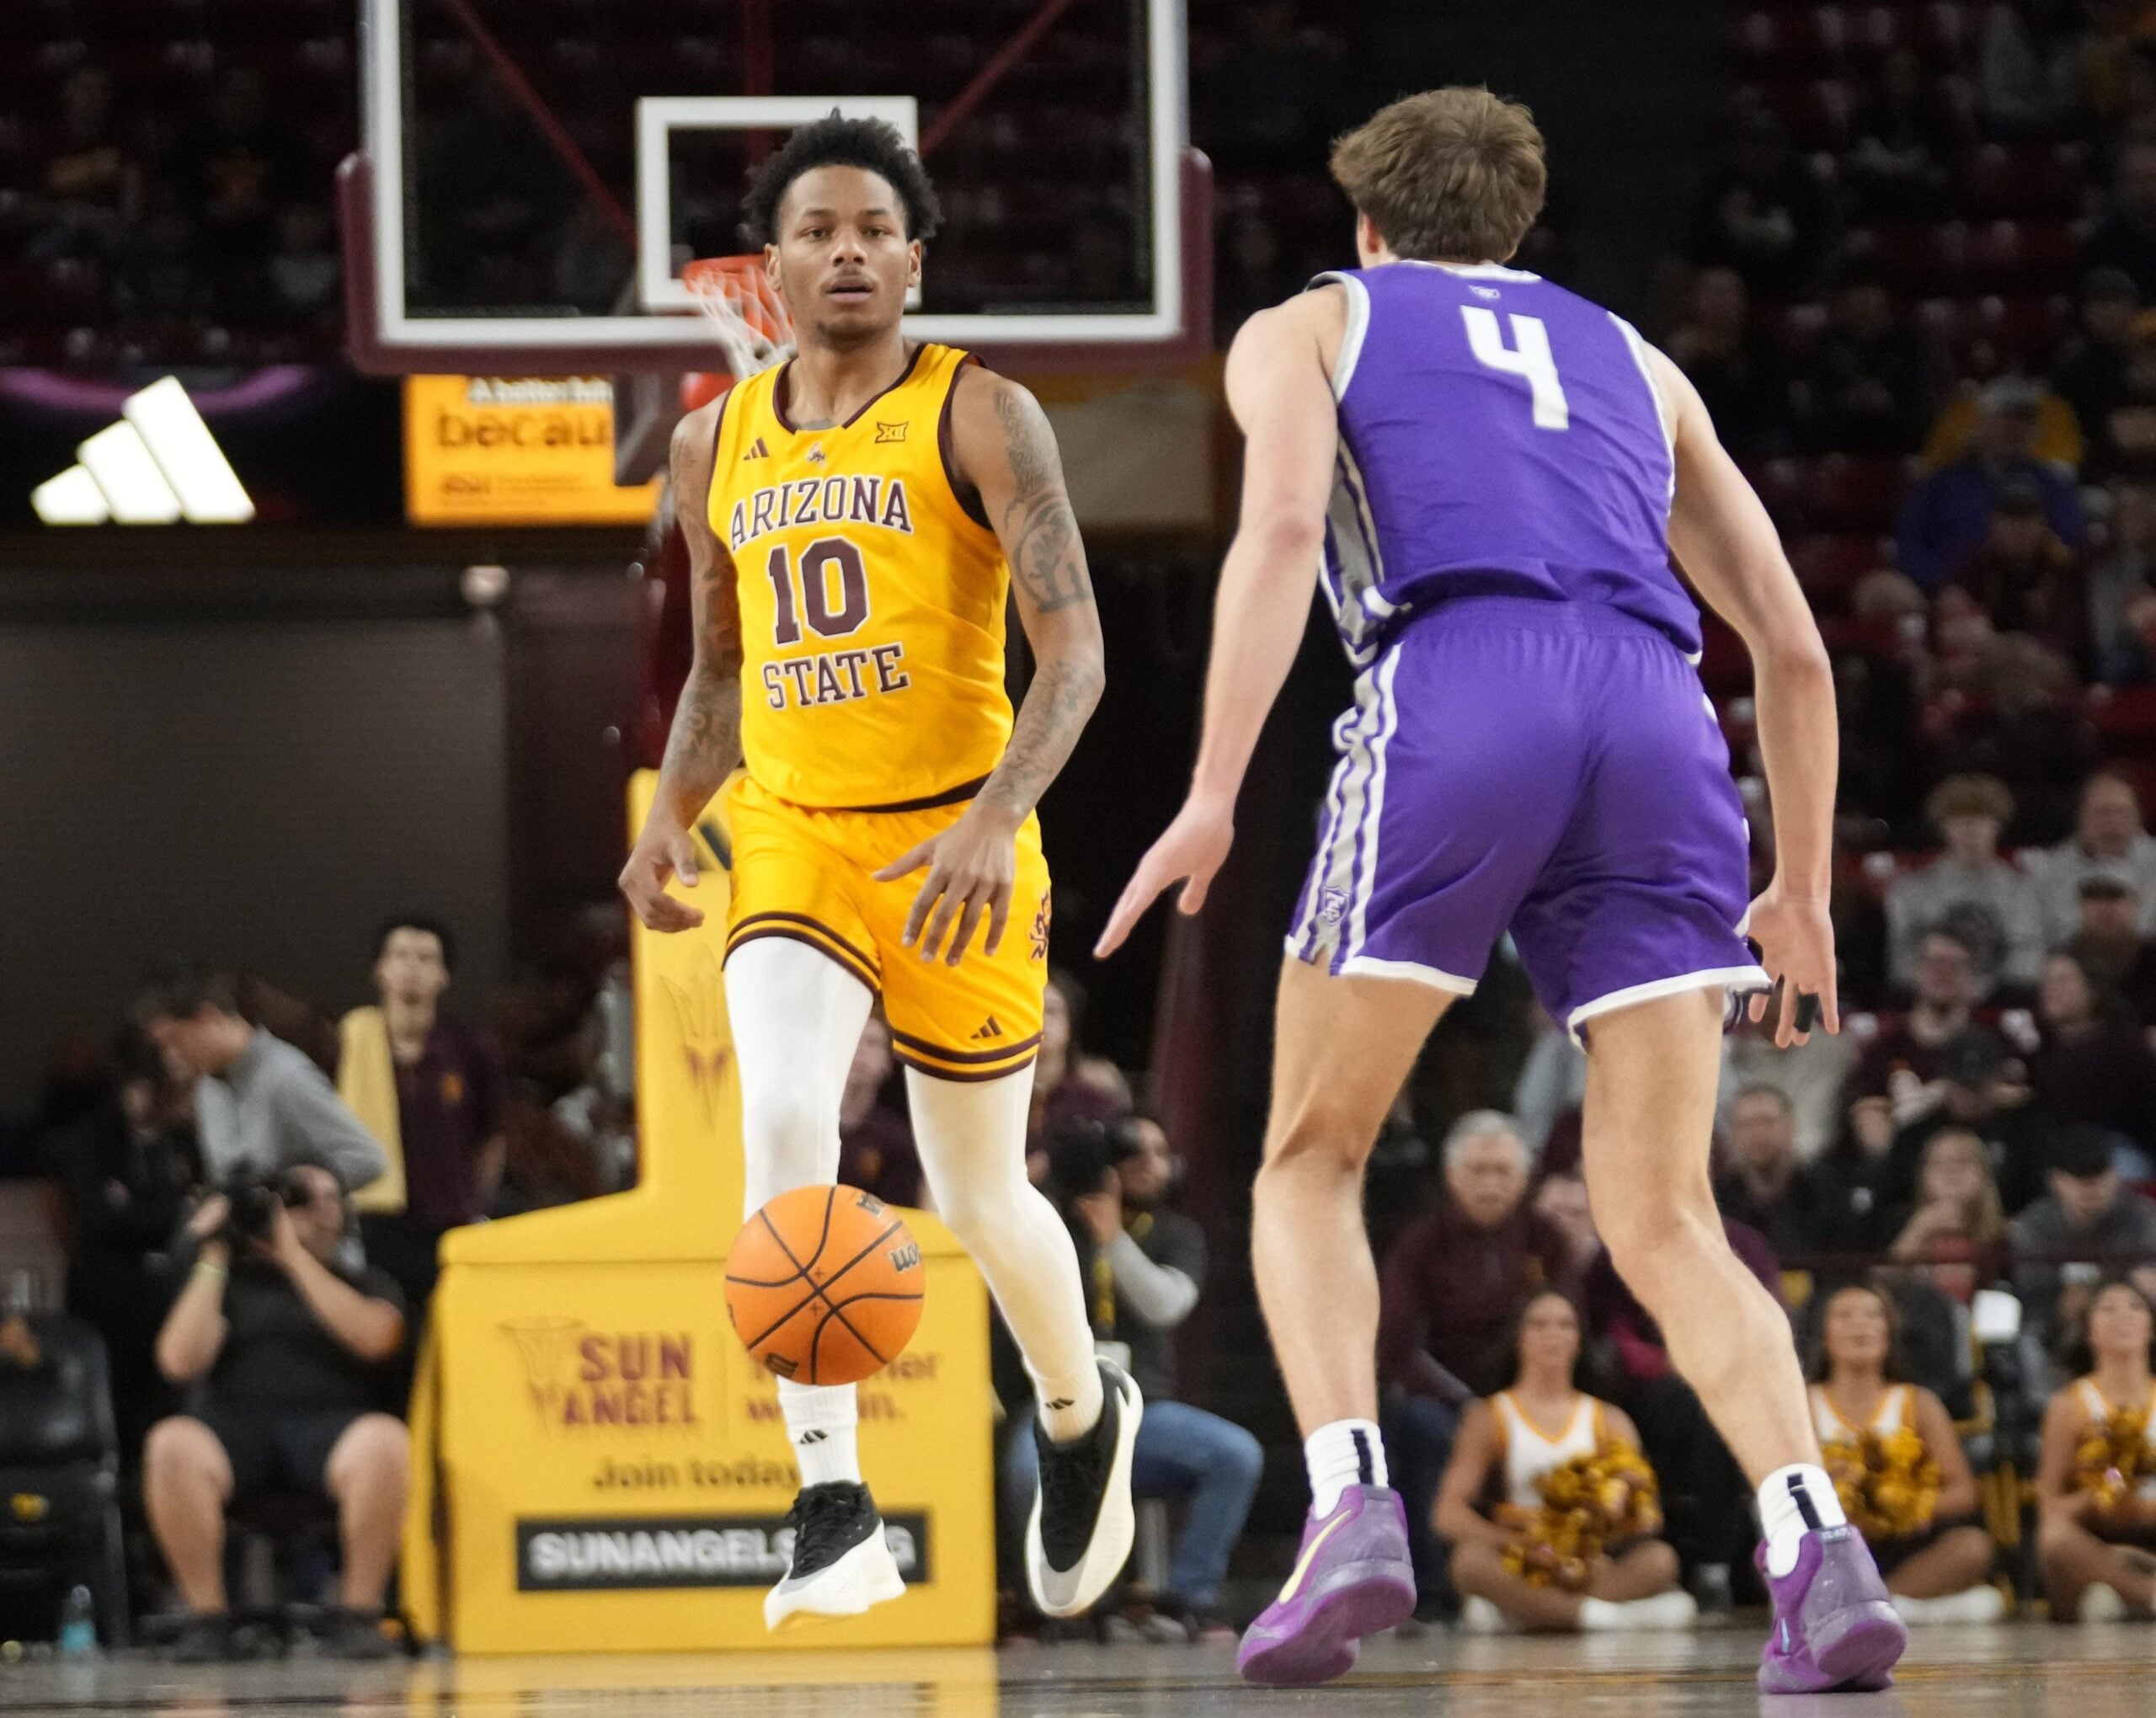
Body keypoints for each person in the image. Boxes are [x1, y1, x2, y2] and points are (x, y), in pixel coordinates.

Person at [1097, 88, 1906, 1690]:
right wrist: (1799, 887)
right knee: (1669, 1217)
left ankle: (1349, 1512)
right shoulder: (1636, 357)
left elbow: (1272, 540)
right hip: (1663, 719)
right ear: (1520, 229)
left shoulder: (1310, 322)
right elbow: (1800, 650)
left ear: (1369, 226)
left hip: (1463, 683)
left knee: (1309, 1158)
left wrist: (1205, 793)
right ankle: (1819, 1548)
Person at [615, 115, 1131, 1630]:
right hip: (793, 833)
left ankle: (1079, 1407)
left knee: (982, 1193)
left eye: (873, 228)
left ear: (916, 256)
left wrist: (993, 817)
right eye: (816, 228)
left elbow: (1080, 654)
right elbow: (719, 671)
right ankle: (831, 1502)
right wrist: (670, 817)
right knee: (780, 1104)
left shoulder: (982, 413)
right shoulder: (716, 438)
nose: (846, 249)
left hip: (959, 847)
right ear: (765, 266)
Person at [143, 1162, 407, 1662]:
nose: (321, 1207)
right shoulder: (229, 1284)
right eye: (303, 1197)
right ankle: (208, 1619)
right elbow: (178, 1361)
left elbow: (376, 1339)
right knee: (170, 1443)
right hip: (234, 1425)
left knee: (386, 1440)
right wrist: (216, 1252)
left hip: (332, 1428)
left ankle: (357, 1615)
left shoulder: (368, 1281)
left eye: (333, 1196)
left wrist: (292, 1256)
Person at [1011, 1117, 1261, 1636]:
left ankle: (1189, 1597)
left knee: (1236, 1454)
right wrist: (1027, 1186)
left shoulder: (1176, 1233)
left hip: (1142, 1410)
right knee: (1025, 1472)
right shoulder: (1054, 1226)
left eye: (1162, 1152)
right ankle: (1064, 1605)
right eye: (1136, 1153)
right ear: (1109, 1168)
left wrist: (1115, 1240)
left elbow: (1165, 1305)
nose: (1153, 1165)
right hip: (1056, 1405)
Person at [1375, 1112, 1576, 1612]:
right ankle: (1433, 1587)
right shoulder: (1423, 1242)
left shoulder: (1545, 1238)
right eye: (1478, 1171)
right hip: (1447, 1396)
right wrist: (1466, 1403)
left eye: (1502, 1171)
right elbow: (1397, 1341)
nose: (1490, 1184)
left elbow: (1569, 1323)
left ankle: (1564, 1568)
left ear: (1524, 1178)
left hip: (1532, 1394)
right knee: (1421, 1428)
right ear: (1452, 1177)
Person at [1434, 1289, 1696, 1633]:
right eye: (1538, 1325)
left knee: (1661, 1561)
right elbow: (1447, 1514)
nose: (1553, 1334)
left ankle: (1530, 1613)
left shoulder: (1609, 1419)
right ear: (1518, 1337)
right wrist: (1516, 1543)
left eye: (1565, 1325)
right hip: (1522, 1555)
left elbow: (1648, 1518)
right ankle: (1603, 1618)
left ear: (1579, 1341)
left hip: (1589, 1560)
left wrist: (1603, 1521)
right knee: (1469, 1563)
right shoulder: (1490, 1416)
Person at [336, 917, 506, 1315]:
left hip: (449, 1223)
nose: (411, 968)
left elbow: (492, 1136)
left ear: (443, 976)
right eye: (400, 956)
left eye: (426, 958)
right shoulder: (350, 1043)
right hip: (374, 1224)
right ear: (380, 969)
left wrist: (474, 1204)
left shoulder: (471, 1049)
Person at [1806, 1284, 2004, 1623]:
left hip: (1906, 1544)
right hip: (1833, 1545)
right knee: (1774, 1558)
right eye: (1845, 1315)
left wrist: (1906, 1508)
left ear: (1888, 1333)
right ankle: (1904, 1610)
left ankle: (1871, 1607)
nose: (1861, 1325)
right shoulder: (1803, 1404)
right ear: (1823, 1336)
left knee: (1973, 1546)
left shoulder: (1918, 1403)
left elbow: (1963, 1492)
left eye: (1873, 1315)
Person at [50, 1029, 200, 1454]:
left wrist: (142, 1208)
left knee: (173, 1390)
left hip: (170, 1289)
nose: (149, 1099)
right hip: (110, 1296)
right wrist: (172, 1212)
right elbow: (99, 1219)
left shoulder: (180, 1140)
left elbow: (197, 1204)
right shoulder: (90, 1138)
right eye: (141, 1086)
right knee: (114, 1396)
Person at [136, 963, 387, 1193]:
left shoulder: (285, 1074)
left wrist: (291, 1188)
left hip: (306, 1240)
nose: (171, 1058)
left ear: (208, 1017)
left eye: (174, 1040)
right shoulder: (208, 1088)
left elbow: (367, 1159)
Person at [2034, 1278, 2156, 1619]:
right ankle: (2144, 1594)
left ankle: (2119, 1600)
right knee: (2055, 1540)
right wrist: (2102, 1493)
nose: (2123, 1317)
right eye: (2108, 1308)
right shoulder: (2068, 1405)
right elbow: (2051, 1509)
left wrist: (2141, 1507)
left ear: (2151, 1326)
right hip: (2097, 1538)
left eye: (2135, 1307)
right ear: (2090, 1331)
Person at [1896, 376, 2085, 592]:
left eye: (2024, 420)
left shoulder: (2050, 484)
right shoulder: (1942, 482)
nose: (2014, 429)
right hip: (1947, 595)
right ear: (1981, 422)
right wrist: (1943, 583)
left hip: (2031, 595)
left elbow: (2071, 540)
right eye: (2005, 418)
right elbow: (1909, 541)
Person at [2009, 1128, 2156, 1374]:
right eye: (2078, 1176)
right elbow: (2032, 1293)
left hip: (2131, 1315)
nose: (2091, 1186)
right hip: (2057, 1325)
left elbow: (2149, 1282)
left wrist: (2099, 1290)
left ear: (2115, 1176)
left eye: (2099, 1174)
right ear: (2057, 1181)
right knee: (2025, 1333)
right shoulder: (2033, 1226)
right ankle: (2044, 1406)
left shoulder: (2143, 1217)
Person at [1886, 774, 2044, 999]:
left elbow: (2029, 956)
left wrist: (1983, 988)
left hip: (2000, 1000)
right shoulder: (1913, 890)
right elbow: (1901, 961)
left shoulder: (2019, 891)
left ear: (1998, 826)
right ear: (1943, 827)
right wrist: (1941, 987)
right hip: (1928, 1001)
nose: (1970, 830)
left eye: (1980, 819)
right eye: (1959, 819)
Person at [1887, 1128, 2009, 1305]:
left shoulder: (2004, 1236)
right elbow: (1879, 1290)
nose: (1951, 1170)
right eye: (1939, 1162)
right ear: (1923, 1175)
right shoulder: (1899, 1221)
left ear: (1983, 1174)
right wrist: (1916, 1232)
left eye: (1963, 1162)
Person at [1713, 1085, 1833, 1261]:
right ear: (1733, 1135)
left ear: (1790, 1127)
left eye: (1767, 1121)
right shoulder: (1718, 1200)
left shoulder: (1826, 1192)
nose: (1758, 1133)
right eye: (1746, 1125)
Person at [2036, 771, 2156, 945]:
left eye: (2121, 812)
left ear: (2138, 817)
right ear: (2080, 817)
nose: (2112, 822)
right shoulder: (2049, 871)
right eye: (2102, 812)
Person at [2053, 270, 2141, 478]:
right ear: (2085, 312)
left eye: (2115, 301)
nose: (2108, 311)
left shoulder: (2148, 352)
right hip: (2098, 472)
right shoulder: (2071, 366)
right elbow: (2064, 431)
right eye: (2099, 303)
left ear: (2133, 308)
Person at [835, 1016, 921, 1208]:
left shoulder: (899, 1140)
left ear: (888, 1062)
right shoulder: (804, 1125)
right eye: (852, 1039)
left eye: (872, 1043)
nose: (861, 1051)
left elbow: (899, 1213)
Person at [2065, 874, 2156, 1022]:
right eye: (2094, 899)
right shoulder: (2066, 960)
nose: (2104, 909)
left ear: (2135, 904)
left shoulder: (2151, 955)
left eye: (2115, 897)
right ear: (2081, 907)